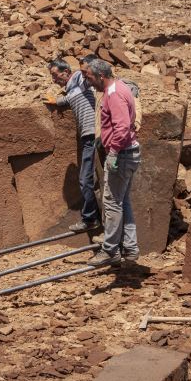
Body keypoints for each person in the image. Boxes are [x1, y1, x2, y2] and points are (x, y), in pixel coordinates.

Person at [82, 59, 141, 267]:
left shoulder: (114, 93)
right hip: (128, 152)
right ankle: (130, 248)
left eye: (89, 77)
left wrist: (114, 152)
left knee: (112, 203)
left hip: (122, 154)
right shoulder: (119, 87)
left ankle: (110, 250)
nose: (88, 82)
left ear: (101, 76)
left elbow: (122, 126)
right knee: (123, 201)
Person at [44, 59, 100, 232]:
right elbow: (69, 98)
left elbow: (89, 78)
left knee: (85, 180)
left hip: (93, 135)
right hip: (89, 137)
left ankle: (90, 219)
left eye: (55, 75)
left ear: (66, 71)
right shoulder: (72, 88)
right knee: (91, 179)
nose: (54, 79)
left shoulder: (78, 78)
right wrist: (57, 101)